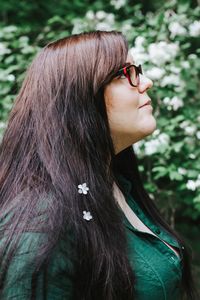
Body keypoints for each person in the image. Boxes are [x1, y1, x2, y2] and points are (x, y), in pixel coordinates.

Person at [0, 30, 197, 300]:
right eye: (125, 73)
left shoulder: (115, 182)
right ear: (78, 98)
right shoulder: (41, 225)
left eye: (138, 70)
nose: (146, 82)